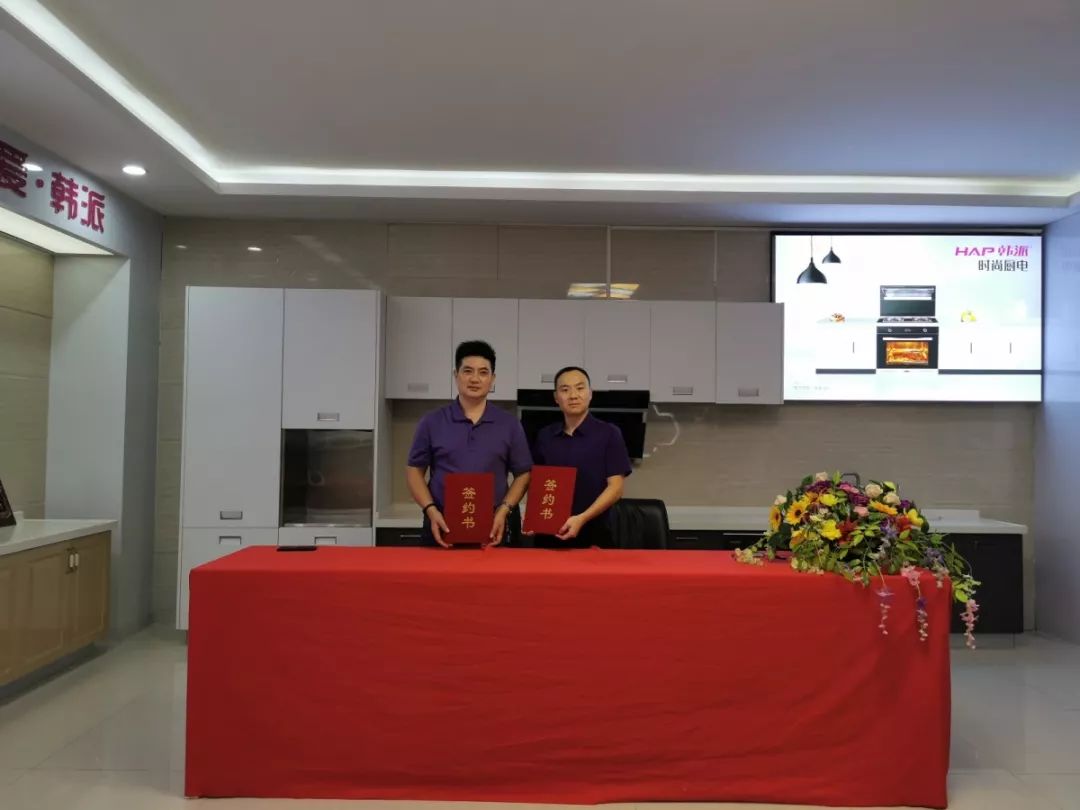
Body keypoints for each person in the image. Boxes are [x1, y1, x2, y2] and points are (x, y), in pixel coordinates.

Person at [406, 340, 532, 547]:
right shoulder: (432, 422)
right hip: (442, 521)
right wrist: (430, 509)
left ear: (492, 379)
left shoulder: (509, 424)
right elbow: (414, 470)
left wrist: (504, 509)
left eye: (483, 372)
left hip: (495, 523)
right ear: (456, 375)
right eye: (468, 371)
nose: (475, 379)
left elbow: (523, 474)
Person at [529, 366, 632, 549]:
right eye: (565, 390)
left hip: (594, 535)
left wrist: (582, 518)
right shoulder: (545, 436)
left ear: (590, 393)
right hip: (548, 535)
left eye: (580, 388)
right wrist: (533, 517)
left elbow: (616, 488)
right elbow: (539, 483)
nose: (573, 395)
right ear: (556, 397)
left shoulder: (609, 433)